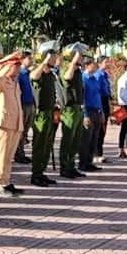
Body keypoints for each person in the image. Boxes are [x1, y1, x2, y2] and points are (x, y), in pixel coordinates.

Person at [0, 52, 24, 197]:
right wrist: (4, 68)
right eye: (15, 66)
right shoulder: (1, 80)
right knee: (1, 155)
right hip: (4, 123)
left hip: (15, 123)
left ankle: (6, 181)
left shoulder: (14, 81)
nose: (18, 69)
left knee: (9, 156)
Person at [29, 42, 60, 187]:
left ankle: (41, 172)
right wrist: (44, 62)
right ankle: (35, 174)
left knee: (47, 145)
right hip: (40, 114)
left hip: (50, 113)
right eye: (52, 57)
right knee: (39, 145)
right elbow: (33, 76)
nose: (54, 60)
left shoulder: (51, 75)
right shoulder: (39, 72)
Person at [59, 43, 86, 179]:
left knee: (76, 139)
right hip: (69, 109)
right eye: (80, 55)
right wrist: (73, 61)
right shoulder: (66, 67)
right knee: (68, 139)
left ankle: (71, 165)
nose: (82, 58)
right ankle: (64, 167)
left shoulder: (78, 70)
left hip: (78, 108)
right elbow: (67, 77)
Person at [80, 56, 104, 172]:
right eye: (93, 64)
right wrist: (85, 115)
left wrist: (102, 112)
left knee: (94, 138)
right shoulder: (83, 78)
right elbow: (82, 98)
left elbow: (98, 95)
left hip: (97, 111)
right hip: (88, 111)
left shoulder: (94, 79)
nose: (95, 66)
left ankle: (89, 161)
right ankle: (83, 162)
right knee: (86, 139)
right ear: (86, 65)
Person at [14, 51, 35, 164]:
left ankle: (22, 152)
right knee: (20, 131)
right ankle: (18, 154)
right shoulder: (20, 73)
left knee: (25, 131)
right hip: (22, 105)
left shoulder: (28, 73)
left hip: (30, 104)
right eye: (29, 59)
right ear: (23, 60)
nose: (31, 61)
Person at [94, 56, 112, 164]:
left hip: (106, 101)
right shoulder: (98, 75)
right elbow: (98, 91)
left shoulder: (105, 75)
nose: (108, 64)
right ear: (99, 63)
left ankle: (100, 152)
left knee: (104, 129)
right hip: (100, 101)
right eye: (106, 62)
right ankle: (96, 153)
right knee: (99, 129)